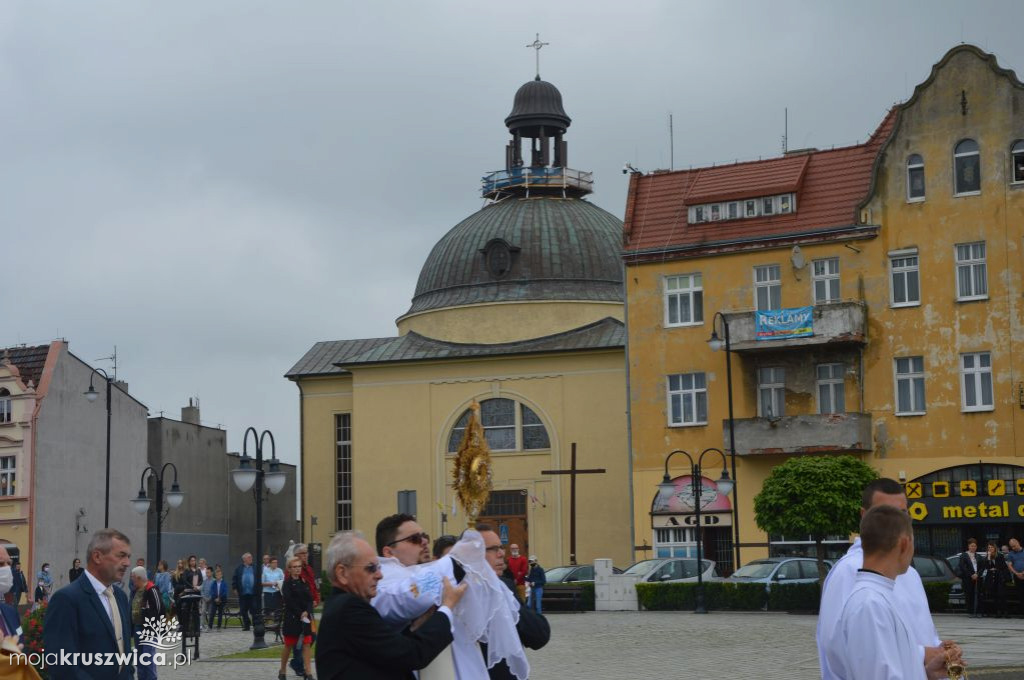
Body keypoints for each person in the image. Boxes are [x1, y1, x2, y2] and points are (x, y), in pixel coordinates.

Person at [818, 478, 959, 680]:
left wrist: (935, 658)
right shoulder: (852, 576)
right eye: (886, 514)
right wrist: (921, 654)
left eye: (902, 514)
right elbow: (839, 651)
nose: (896, 523)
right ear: (865, 516)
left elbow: (919, 633)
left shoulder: (909, 574)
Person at [314, 531, 465, 680]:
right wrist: (447, 607)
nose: (380, 575)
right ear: (342, 573)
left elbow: (385, 651)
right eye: (371, 568)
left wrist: (416, 626)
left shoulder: (342, 605)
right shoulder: (349, 608)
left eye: (379, 567)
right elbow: (410, 656)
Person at [43, 528, 134, 680]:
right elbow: (62, 664)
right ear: (97, 556)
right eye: (121, 556)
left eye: (128, 557)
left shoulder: (120, 597)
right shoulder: (67, 599)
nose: (127, 563)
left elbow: (124, 652)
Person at [478, 524, 550, 679]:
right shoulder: (457, 594)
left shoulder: (505, 586)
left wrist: (508, 602)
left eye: (501, 547)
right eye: (492, 549)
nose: (501, 554)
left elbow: (538, 637)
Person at [278, 556, 315, 680]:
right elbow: (289, 602)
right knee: (288, 646)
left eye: (299, 566)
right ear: (289, 569)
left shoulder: (304, 582)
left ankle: (308, 673)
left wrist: (307, 611)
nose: (297, 569)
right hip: (293, 619)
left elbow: (310, 599)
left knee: (306, 644)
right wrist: (300, 613)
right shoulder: (287, 584)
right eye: (294, 567)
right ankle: (282, 670)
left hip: (305, 619)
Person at [288, 544, 321, 677]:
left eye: (306, 553)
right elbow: (290, 592)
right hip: (298, 611)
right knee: (300, 638)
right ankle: (299, 665)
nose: (306, 555)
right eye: (302, 553)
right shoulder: (291, 571)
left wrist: (315, 600)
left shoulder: (308, 569)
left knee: (312, 636)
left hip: (309, 610)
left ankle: (297, 662)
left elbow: (313, 587)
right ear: (296, 556)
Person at [130, 566, 163, 680]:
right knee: (139, 659)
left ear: (139, 578)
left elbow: (159, 609)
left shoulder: (151, 589)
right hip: (137, 628)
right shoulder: (135, 591)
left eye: (133, 577)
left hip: (149, 629)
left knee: (148, 659)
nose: (131, 580)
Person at [0, 547, 24, 641]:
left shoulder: (11, 612)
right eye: (1, 563)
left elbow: (21, 645)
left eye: (9, 564)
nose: (7, 568)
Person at [980, 541, 1008, 618]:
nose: (990, 549)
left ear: (994, 548)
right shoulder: (987, 557)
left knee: (1001, 594)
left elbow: (1003, 566)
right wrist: (988, 558)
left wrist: (996, 568)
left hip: (1000, 577)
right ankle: (998, 612)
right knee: (995, 594)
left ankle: (1005, 611)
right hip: (992, 578)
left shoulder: (1000, 556)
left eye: (991, 547)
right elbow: (986, 567)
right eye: (989, 547)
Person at [232, 552, 257, 632]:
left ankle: (256, 624)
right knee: (243, 610)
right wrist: (234, 588)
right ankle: (247, 625)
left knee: (254, 610)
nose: (251, 559)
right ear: (244, 559)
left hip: (253, 593)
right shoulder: (239, 568)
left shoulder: (255, 567)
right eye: (249, 557)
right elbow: (234, 578)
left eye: (251, 557)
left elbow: (259, 578)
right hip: (243, 593)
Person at [958, 538, 981, 618]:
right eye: (971, 546)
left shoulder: (978, 556)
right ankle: (971, 611)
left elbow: (982, 566)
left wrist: (977, 574)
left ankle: (977, 611)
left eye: (974, 546)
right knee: (969, 594)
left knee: (977, 594)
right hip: (968, 578)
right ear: (968, 546)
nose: (973, 547)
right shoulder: (963, 555)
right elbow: (963, 567)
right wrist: (971, 575)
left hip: (977, 577)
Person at [1006, 538, 1024, 616]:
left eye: (1014, 546)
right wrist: (1017, 573)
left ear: (1018, 542)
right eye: (1011, 547)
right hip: (1017, 577)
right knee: (1021, 594)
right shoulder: (1011, 554)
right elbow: (1009, 566)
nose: (1013, 548)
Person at [208, 566, 228, 630]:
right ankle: (210, 626)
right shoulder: (213, 583)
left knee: (220, 614)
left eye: (219, 575)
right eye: (217, 575)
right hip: (214, 600)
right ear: (215, 576)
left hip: (221, 600)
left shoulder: (224, 583)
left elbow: (225, 592)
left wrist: (219, 598)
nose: (218, 576)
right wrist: (215, 598)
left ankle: (219, 627)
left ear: (221, 575)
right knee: (212, 613)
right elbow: (212, 591)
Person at [199, 566, 214, 632]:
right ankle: (202, 625)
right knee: (203, 611)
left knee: (210, 613)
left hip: (211, 600)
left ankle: (210, 626)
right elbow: (202, 590)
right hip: (204, 599)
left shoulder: (214, 581)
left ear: (211, 573)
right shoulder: (204, 581)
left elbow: (214, 591)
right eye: (206, 573)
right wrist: (204, 597)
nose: (207, 574)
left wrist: (210, 598)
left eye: (208, 572)